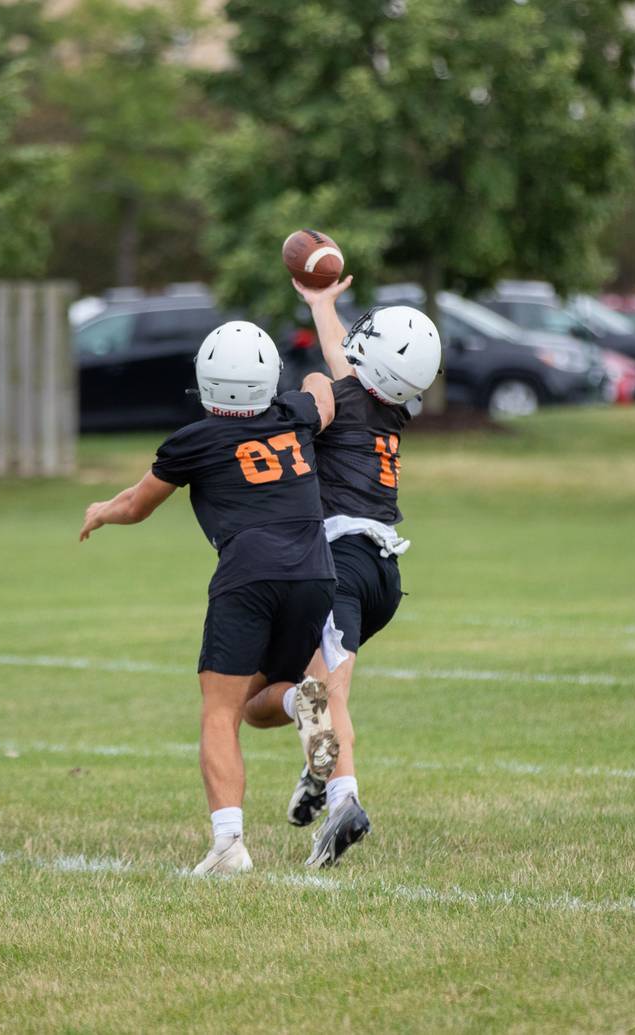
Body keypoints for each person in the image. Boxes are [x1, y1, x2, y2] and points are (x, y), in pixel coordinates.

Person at [79, 321, 341, 875]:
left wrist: (101, 511)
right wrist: (314, 369)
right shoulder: (294, 417)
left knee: (218, 713)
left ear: (206, 378)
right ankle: (302, 704)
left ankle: (229, 846)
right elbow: (323, 394)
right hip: (316, 572)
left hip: (248, 574)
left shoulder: (194, 440)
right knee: (255, 703)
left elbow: (138, 505)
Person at [244, 276, 441, 868]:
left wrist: (307, 385)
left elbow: (332, 379)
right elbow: (350, 364)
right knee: (260, 700)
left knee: (327, 696)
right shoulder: (395, 405)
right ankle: (319, 768)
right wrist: (322, 305)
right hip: (382, 574)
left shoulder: (336, 397)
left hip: (339, 562)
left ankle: (343, 801)